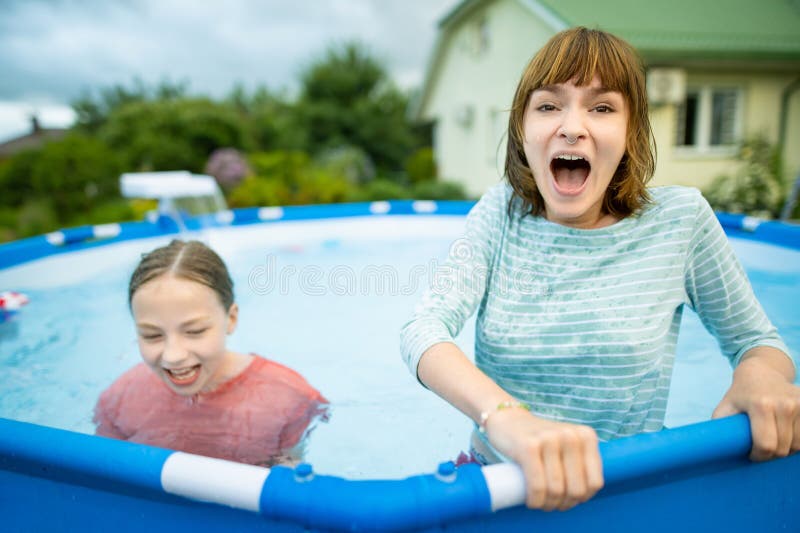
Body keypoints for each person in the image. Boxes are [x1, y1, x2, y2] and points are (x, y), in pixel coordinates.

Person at [400, 27, 799, 511]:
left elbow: (756, 342)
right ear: (522, 131)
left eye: (602, 107)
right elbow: (424, 329)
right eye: (549, 106)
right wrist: (506, 416)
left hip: (628, 491)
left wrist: (759, 376)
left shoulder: (682, 222)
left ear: (631, 133)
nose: (572, 126)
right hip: (498, 485)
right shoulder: (498, 214)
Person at [94, 240, 328, 467]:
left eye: (195, 331)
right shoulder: (118, 401)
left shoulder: (287, 398)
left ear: (231, 318)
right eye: (152, 335)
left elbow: (289, 484)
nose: (173, 356)